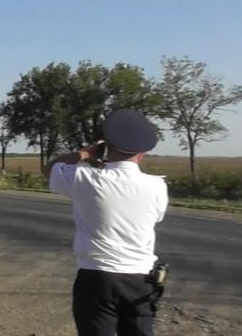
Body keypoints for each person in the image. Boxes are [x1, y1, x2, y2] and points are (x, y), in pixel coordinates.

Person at [42, 109, 168, 336]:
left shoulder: (86, 178)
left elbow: (49, 170)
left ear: (106, 146)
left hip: (97, 277)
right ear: (143, 152)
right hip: (141, 278)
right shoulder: (157, 186)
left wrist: (84, 154)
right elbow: (156, 217)